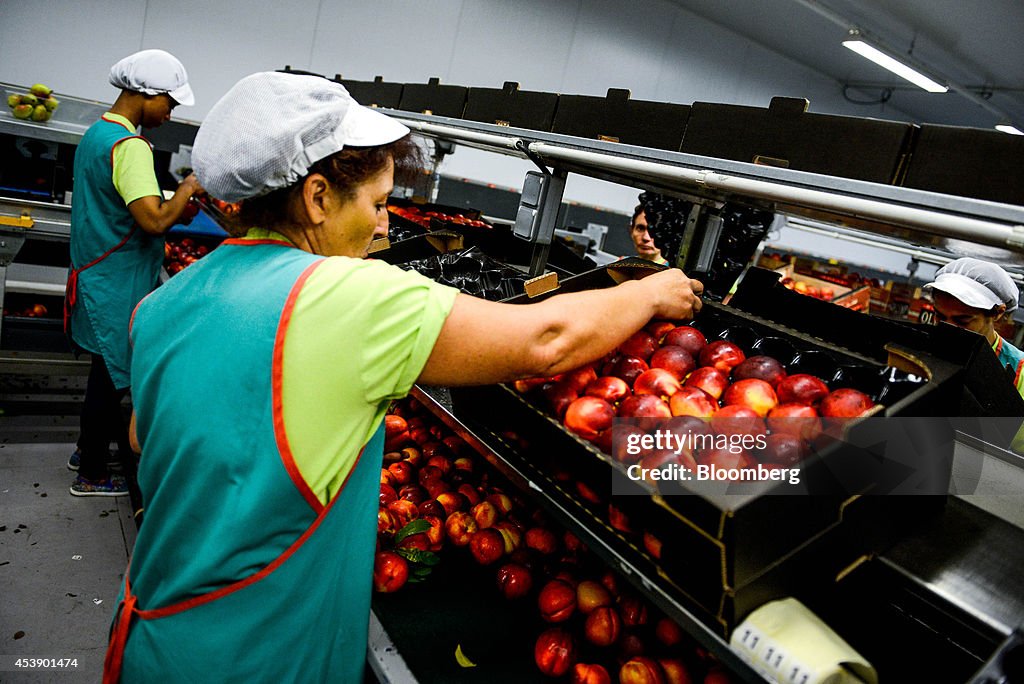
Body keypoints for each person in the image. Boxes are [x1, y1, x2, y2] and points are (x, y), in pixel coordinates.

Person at [102, 71, 702, 683]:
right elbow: (545, 342)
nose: (387, 226)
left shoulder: (163, 305)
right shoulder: (346, 296)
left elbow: (142, 440)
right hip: (259, 655)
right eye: (378, 203)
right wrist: (651, 292)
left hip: (156, 632)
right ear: (316, 198)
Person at [65, 49, 203, 497]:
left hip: (95, 271)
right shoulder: (131, 147)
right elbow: (153, 221)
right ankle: (92, 473)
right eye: (171, 102)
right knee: (110, 380)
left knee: (101, 373)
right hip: (116, 280)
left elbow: (122, 205)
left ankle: (86, 449)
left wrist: (174, 210)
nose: (171, 111)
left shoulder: (98, 134)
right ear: (147, 93)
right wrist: (186, 188)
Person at [924, 257, 1023, 397]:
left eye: (962, 321)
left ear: (998, 313)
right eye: (940, 316)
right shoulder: (918, 345)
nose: (948, 328)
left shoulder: (1020, 369)